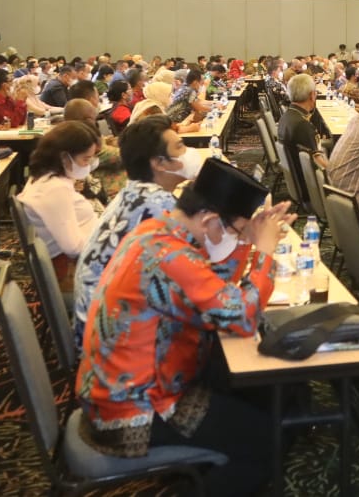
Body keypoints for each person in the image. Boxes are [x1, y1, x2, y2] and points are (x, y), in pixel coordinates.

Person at [76, 159, 293, 495]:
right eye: (233, 229)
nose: (232, 238)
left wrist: (244, 240)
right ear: (208, 220)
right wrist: (263, 253)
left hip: (117, 390)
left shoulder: (155, 231)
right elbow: (242, 317)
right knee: (266, 441)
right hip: (134, 410)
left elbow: (212, 291)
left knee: (252, 395)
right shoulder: (171, 257)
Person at [71, 116, 200, 350]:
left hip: (98, 326)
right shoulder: (158, 205)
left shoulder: (135, 193)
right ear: (159, 163)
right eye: (180, 147)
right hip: (116, 342)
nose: (188, 152)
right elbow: (199, 269)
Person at [16, 121, 101, 288]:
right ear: (64, 157)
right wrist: (106, 238)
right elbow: (74, 248)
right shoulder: (54, 189)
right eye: (85, 159)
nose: (87, 165)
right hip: (73, 270)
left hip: (78, 260)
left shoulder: (47, 177)